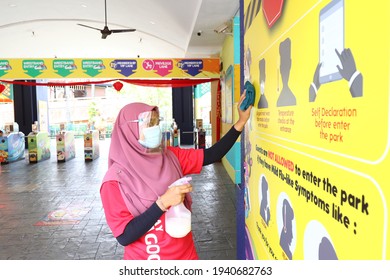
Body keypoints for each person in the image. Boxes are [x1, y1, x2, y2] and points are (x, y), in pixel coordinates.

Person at [100, 92, 252, 260]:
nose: (155, 129)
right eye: (149, 124)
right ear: (129, 130)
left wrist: (241, 122)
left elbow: (212, 155)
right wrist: (163, 202)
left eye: (157, 123)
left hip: (186, 256)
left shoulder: (169, 156)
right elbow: (125, 236)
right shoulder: (114, 182)